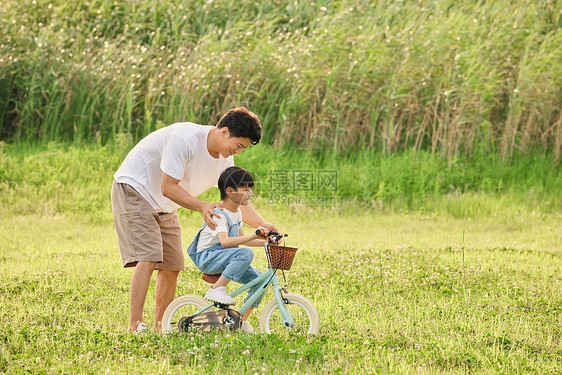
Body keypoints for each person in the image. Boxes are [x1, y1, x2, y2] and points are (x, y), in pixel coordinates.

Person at [111, 107, 278, 332]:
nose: (237, 152)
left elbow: (239, 201)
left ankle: (161, 327)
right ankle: (135, 325)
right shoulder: (185, 139)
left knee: (172, 265)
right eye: (238, 145)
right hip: (135, 188)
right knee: (149, 256)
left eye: (242, 149)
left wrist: (262, 225)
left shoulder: (224, 161)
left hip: (166, 204)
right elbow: (168, 186)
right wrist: (202, 206)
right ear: (224, 131)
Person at [187, 166, 272, 333]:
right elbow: (225, 242)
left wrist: (266, 243)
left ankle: (241, 321)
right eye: (246, 189)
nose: (250, 194)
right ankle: (217, 289)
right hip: (207, 257)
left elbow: (241, 239)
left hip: (225, 255)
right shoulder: (218, 214)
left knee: (261, 281)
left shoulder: (237, 213)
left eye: (251, 189)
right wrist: (254, 236)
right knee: (245, 253)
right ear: (230, 192)